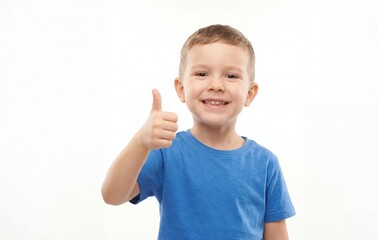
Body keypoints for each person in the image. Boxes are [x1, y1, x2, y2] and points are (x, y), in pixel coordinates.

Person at [101, 24, 295, 239]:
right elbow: (112, 195)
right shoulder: (166, 151)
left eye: (231, 76)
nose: (216, 85)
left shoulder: (266, 163)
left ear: (250, 93)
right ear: (181, 89)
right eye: (202, 73)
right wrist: (141, 142)